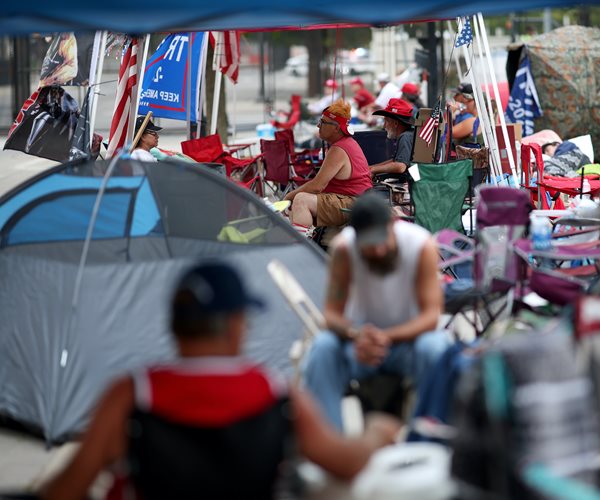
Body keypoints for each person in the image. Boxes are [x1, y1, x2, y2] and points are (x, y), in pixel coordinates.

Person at [41, 261, 400, 500]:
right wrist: (376, 432)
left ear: (175, 326)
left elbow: (65, 490)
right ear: (234, 326)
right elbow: (345, 461)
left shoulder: (132, 394)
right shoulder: (275, 393)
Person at [304, 193, 451, 431]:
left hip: (407, 344)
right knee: (322, 348)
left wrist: (387, 337)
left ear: (393, 226)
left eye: (383, 241)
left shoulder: (421, 245)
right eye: (370, 246)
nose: (379, 251)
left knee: (435, 347)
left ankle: (428, 436)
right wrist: (356, 334)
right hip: (359, 344)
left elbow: (431, 316)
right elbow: (331, 314)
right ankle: (331, 442)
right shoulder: (344, 249)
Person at [284, 99, 373, 236]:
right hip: (355, 200)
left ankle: (301, 245)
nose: (318, 125)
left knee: (301, 199)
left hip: (353, 203)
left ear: (337, 127)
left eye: (323, 122)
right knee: (298, 202)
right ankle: (306, 239)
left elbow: (316, 186)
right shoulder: (345, 143)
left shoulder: (339, 149)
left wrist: (288, 196)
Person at [368, 98, 415, 178]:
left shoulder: (405, 137)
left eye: (386, 121)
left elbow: (400, 166)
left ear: (396, 123)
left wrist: (373, 169)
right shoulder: (409, 134)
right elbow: (395, 161)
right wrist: (371, 167)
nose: (384, 126)